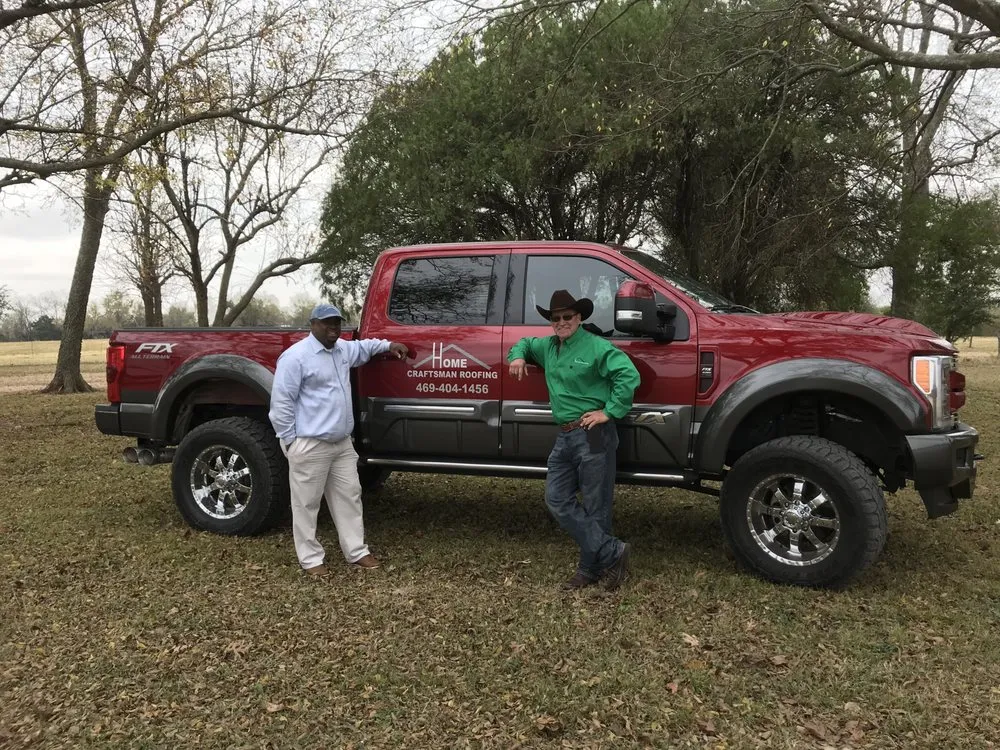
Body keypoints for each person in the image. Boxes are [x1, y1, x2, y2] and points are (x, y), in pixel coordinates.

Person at [508, 289, 640, 591]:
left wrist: (610, 412)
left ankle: (589, 570)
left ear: (579, 318)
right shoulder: (548, 347)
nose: (562, 322)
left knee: (596, 506)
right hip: (564, 435)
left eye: (568, 316)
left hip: (593, 433)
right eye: (556, 318)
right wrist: (517, 356)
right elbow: (525, 343)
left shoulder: (596, 346)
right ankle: (612, 552)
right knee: (556, 499)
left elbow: (628, 375)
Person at [268, 303, 408, 577]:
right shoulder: (296, 357)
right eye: (327, 323)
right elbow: (281, 403)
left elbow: (365, 347)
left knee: (350, 497)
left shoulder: (343, 349)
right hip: (310, 443)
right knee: (307, 503)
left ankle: (356, 551)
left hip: (342, 443)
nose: (334, 328)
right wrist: (291, 441)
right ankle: (310, 559)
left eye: (337, 322)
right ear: (313, 325)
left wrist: (389, 344)